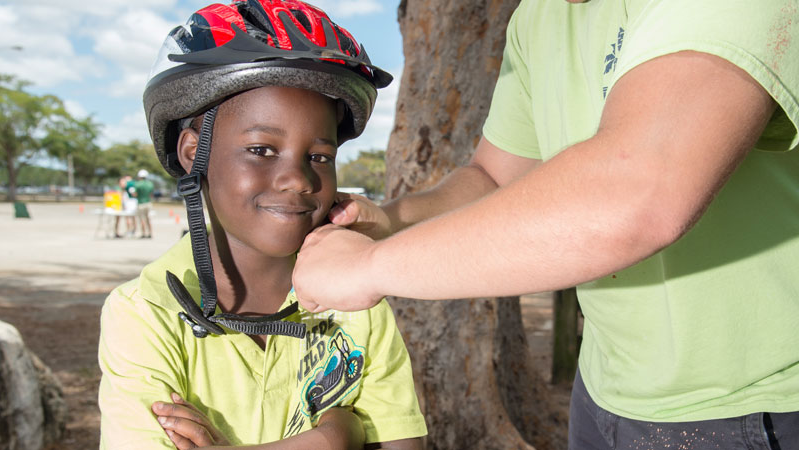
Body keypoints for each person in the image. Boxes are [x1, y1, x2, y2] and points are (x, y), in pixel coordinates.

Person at [292, 0, 799, 448]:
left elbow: (640, 190)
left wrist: (371, 267)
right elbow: (494, 175)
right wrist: (391, 220)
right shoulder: (538, 16)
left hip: (755, 406)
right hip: (605, 388)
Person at [97, 1, 426, 448]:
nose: (298, 178)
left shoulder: (355, 302)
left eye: (319, 157)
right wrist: (334, 437)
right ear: (194, 153)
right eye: (261, 149)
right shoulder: (144, 313)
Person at [134, 169, 155, 239]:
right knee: (148, 219)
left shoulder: (138, 184)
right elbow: (151, 194)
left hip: (141, 203)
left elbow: (135, 194)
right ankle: (150, 233)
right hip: (148, 203)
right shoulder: (150, 184)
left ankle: (144, 233)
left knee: (142, 219)